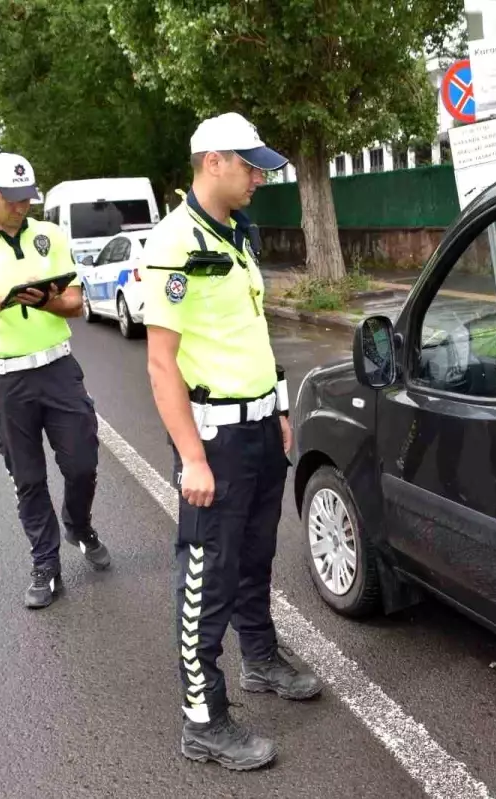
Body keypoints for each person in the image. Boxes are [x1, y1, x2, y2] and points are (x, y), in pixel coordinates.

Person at [142, 112, 322, 771]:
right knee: (205, 576)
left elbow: (252, 335)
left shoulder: (236, 236)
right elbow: (162, 362)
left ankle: (262, 658)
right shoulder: (174, 241)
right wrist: (191, 455)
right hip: (213, 439)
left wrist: (277, 408)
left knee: (254, 556)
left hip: (257, 428)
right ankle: (204, 720)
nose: (259, 177)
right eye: (250, 165)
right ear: (212, 161)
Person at [0, 152, 110, 609]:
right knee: (29, 479)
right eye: (11, 198)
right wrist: (5, 301)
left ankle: (78, 524)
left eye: (27, 198)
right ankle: (46, 565)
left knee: (82, 465)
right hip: (6, 380)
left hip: (58, 369)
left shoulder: (50, 235)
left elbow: (74, 302)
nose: (21, 206)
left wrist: (43, 301)